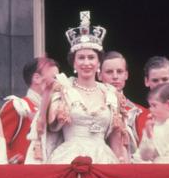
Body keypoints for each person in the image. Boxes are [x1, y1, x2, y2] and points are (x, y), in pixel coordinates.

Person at [40, 11, 128, 164]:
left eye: (91, 57)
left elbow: (115, 139)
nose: (86, 62)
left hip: (104, 159)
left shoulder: (111, 94)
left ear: (99, 63)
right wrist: (48, 94)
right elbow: (51, 127)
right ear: (74, 63)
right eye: (81, 57)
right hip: (68, 159)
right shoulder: (63, 89)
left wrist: (122, 163)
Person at [0, 57, 59, 164]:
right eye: (54, 77)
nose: (58, 82)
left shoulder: (54, 110)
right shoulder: (17, 106)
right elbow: (0, 141)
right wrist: (12, 159)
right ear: (36, 78)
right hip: (22, 172)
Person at [98, 50, 146, 150]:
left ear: (126, 75)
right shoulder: (90, 107)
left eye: (119, 71)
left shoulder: (138, 111)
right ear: (99, 75)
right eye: (109, 72)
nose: (115, 76)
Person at [135, 56, 169, 141]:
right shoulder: (141, 118)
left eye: (165, 79)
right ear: (146, 81)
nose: (160, 84)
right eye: (155, 80)